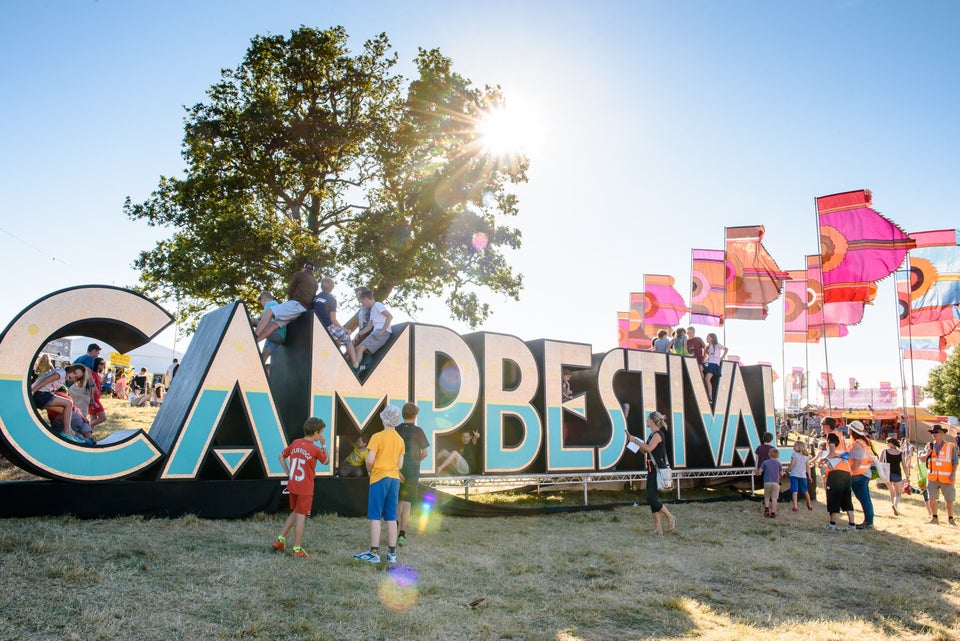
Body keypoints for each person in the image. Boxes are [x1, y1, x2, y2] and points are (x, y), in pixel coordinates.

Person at [354, 405, 405, 564]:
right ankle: (392, 554)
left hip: (379, 477)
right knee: (391, 516)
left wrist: (370, 470)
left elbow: (369, 460)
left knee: (375, 515)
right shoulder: (400, 439)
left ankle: (374, 552)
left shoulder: (377, 437)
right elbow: (400, 464)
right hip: (394, 478)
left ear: (383, 419)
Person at [272, 417, 329, 557]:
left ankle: (280, 540)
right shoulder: (315, 449)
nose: (321, 435)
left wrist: (288, 473)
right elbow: (326, 461)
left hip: (294, 484)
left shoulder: (296, 443)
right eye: (320, 432)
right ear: (315, 433)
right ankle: (297, 549)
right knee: (301, 516)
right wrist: (324, 445)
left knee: (296, 512)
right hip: (305, 488)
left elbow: (280, 456)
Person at [625, 411, 677, 535]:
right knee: (652, 498)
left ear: (653, 421)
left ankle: (671, 517)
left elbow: (648, 448)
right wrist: (633, 441)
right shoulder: (652, 435)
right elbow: (645, 451)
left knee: (651, 498)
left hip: (657, 470)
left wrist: (636, 441)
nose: (646, 421)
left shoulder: (658, 435)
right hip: (651, 470)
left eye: (648, 419)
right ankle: (658, 529)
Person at [254, 262, 319, 342]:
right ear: (313, 271)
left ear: (304, 268)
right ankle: (256, 341)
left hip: (295, 304)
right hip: (303, 310)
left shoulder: (299, 274)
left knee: (269, 311)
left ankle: (255, 336)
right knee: (275, 324)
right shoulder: (316, 284)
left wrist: (290, 299)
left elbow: (290, 290)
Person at [396, 402, 429, 547]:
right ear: (415, 416)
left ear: (403, 414)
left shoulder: (396, 430)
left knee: (397, 501)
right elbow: (425, 453)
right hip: (412, 470)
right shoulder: (419, 431)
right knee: (407, 503)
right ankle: (402, 535)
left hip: (397, 469)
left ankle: (393, 530)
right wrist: (416, 461)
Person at [29, 364, 89, 441]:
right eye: (74, 372)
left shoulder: (63, 377)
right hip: (40, 395)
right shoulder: (61, 373)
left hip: (42, 395)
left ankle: (71, 434)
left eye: (76, 377)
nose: (73, 376)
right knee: (68, 403)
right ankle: (66, 433)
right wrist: (32, 391)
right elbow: (45, 381)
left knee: (65, 411)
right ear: (71, 369)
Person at [312, 276, 358, 365]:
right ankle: (355, 362)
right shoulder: (331, 300)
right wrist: (345, 330)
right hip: (326, 327)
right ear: (332, 288)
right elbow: (333, 320)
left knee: (336, 340)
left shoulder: (315, 297)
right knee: (347, 338)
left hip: (315, 325)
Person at [820, 433, 856, 531]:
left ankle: (832, 524)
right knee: (847, 498)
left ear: (826, 425)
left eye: (822, 424)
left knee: (833, 497)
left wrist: (822, 460)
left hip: (836, 471)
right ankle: (852, 524)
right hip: (846, 471)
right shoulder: (841, 435)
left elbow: (832, 452)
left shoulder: (831, 435)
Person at [922, 424, 956, 526]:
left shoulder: (950, 446)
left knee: (949, 499)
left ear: (942, 433)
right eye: (932, 433)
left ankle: (950, 519)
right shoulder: (929, 445)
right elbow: (922, 459)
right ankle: (934, 518)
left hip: (946, 476)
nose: (933, 434)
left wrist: (953, 474)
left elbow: (955, 461)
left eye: (936, 432)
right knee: (932, 498)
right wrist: (927, 453)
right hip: (932, 477)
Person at [351, 288, 393, 371]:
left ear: (366, 299)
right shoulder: (373, 309)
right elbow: (369, 326)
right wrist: (358, 334)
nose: (363, 304)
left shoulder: (378, 305)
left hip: (381, 333)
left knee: (359, 349)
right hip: (375, 332)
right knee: (357, 349)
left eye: (362, 302)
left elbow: (390, 316)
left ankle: (354, 370)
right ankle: (358, 367)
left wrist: (382, 331)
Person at [847, 421, 876, 530]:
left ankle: (868, 522)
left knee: (864, 498)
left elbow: (857, 462)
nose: (848, 430)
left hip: (859, 474)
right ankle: (869, 521)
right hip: (864, 473)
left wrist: (850, 473)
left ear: (853, 431)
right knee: (865, 498)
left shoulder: (858, 444)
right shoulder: (864, 441)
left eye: (849, 429)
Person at [250, 291, 287, 364]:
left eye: (261, 303)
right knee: (264, 354)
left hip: (275, 331)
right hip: (280, 337)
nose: (262, 306)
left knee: (252, 320)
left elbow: (264, 317)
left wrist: (255, 320)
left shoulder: (270, 303)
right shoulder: (277, 305)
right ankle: (259, 369)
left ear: (263, 299)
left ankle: (249, 339)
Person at [785, 440, 813, 512]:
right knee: (805, 490)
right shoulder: (806, 456)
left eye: (795, 445)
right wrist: (809, 476)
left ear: (800, 447)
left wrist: (787, 471)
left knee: (795, 490)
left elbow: (792, 464)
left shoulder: (794, 454)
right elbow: (808, 468)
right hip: (803, 475)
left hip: (794, 474)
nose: (793, 447)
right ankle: (809, 503)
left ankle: (795, 506)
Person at [881, 437, 904, 516]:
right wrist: (907, 475)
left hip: (887, 474)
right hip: (897, 473)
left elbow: (880, 462)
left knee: (892, 492)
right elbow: (904, 465)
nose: (886, 444)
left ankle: (894, 506)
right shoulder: (900, 453)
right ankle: (895, 505)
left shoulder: (884, 451)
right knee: (898, 494)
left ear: (891, 443)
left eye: (887, 442)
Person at [703, 333, 727, 403]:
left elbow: (726, 349)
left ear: (712, 338)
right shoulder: (707, 347)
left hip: (714, 364)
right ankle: (702, 383)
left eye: (708, 337)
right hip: (707, 363)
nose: (706, 338)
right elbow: (706, 356)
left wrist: (721, 358)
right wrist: (704, 360)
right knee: (700, 367)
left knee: (707, 379)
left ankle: (710, 396)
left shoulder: (717, 345)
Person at [759, 448, 783, 518]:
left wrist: (758, 472)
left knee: (767, 497)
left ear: (769, 454)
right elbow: (781, 474)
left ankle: (766, 509)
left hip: (767, 482)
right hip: (776, 483)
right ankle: (773, 513)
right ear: (778, 456)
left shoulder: (765, 462)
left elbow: (760, 471)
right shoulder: (779, 463)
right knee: (774, 498)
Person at [87, 357, 107, 429]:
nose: (103, 366)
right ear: (96, 364)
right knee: (103, 418)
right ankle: (85, 427)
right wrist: (92, 400)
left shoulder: (95, 374)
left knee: (93, 419)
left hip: (94, 398)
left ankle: (89, 435)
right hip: (94, 399)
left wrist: (102, 382)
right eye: (101, 364)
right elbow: (91, 387)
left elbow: (96, 386)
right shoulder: (93, 373)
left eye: (104, 364)